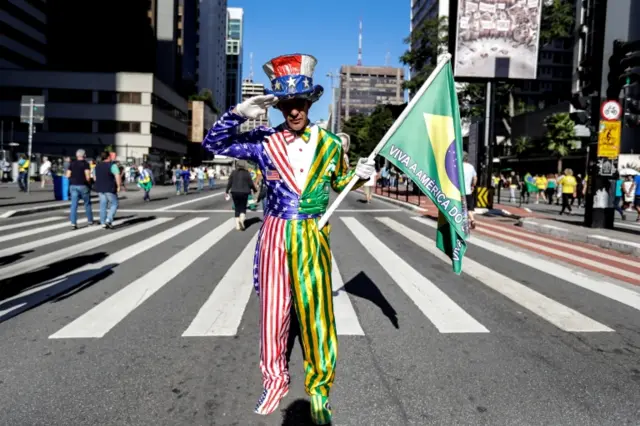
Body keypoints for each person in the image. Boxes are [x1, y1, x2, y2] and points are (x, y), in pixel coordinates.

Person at [202, 53, 375, 425]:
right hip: (276, 231)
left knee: (317, 314)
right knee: (274, 312)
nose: (294, 111)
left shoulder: (330, 144)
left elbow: (340, 184)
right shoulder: (264, 141)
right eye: (286, 105)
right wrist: (237, 113)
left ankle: (319, 391)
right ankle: (275, 379)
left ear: (310, 102)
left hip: (313, 232)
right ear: (279, 106)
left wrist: (359, 175)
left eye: (299, 104)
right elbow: (213, 144)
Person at [66, 149, 94, 229]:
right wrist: (90, 182)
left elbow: (67, 175)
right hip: (83, 185)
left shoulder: (72, 163)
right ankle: (90, 221)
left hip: (73, 186)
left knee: (74, 205)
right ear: (84, 155)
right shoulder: (85, 164)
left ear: (77, 155)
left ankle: (73, 223)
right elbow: (88, 177)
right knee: (87, 204)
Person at [226, 160, 258, 230]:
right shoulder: (247, 173)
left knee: (237, 208)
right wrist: (255, 190)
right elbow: (250, 183)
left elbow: (230, 182)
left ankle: (237, 225)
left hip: (234, 192)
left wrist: (227, 191)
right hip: (245, 192)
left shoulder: (233, 172)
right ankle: (242, 220)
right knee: (243, 207)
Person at [94, 151, 122, 229]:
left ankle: (103, 222)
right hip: (109, 187)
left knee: (103, 205)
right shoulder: (112, 165)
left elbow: (94, 177)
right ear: (108, 157)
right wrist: (118, 185)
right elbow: (117, 175)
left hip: (100, 188)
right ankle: (108, 220)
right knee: (114, 203)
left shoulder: (97, 166)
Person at [462, 152, 477, 229]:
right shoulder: (471, 167)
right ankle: (472, 220)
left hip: (459, 192)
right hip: (468, 191)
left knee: (462, 208)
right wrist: (472, 186)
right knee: (469, 208)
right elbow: (475, 178)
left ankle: (464, 223)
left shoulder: (459, 167)